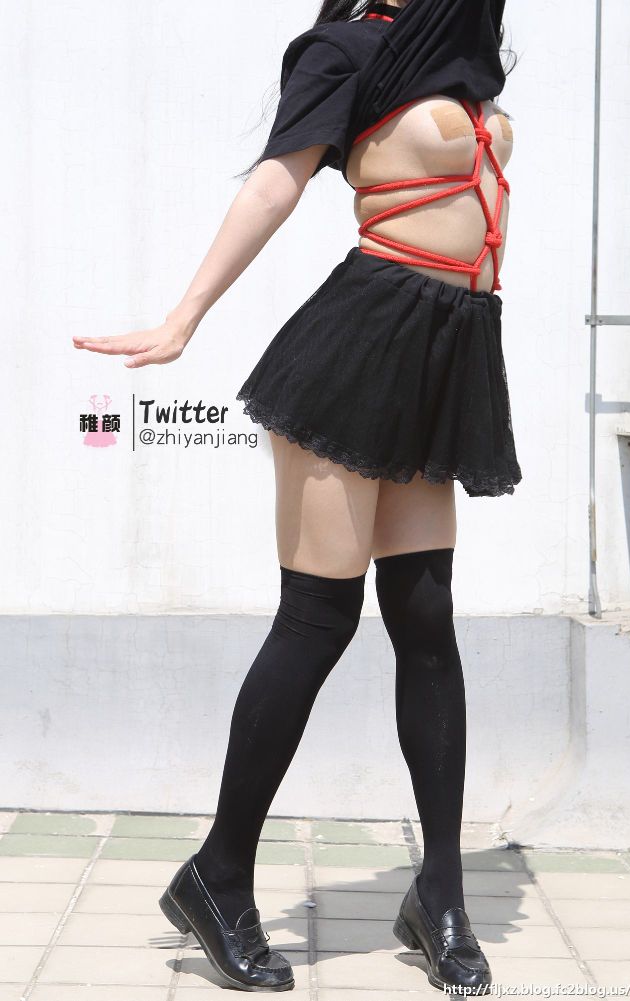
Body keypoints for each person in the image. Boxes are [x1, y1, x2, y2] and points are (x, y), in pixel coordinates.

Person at [73, 0, 521, 992]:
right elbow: (278, 179)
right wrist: (183, 317)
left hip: (448, 351)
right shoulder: (351, 46)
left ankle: (440, 891)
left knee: (427, 619)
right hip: (359, 347)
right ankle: (219, 873)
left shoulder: (463, 55)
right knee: (320, 617)